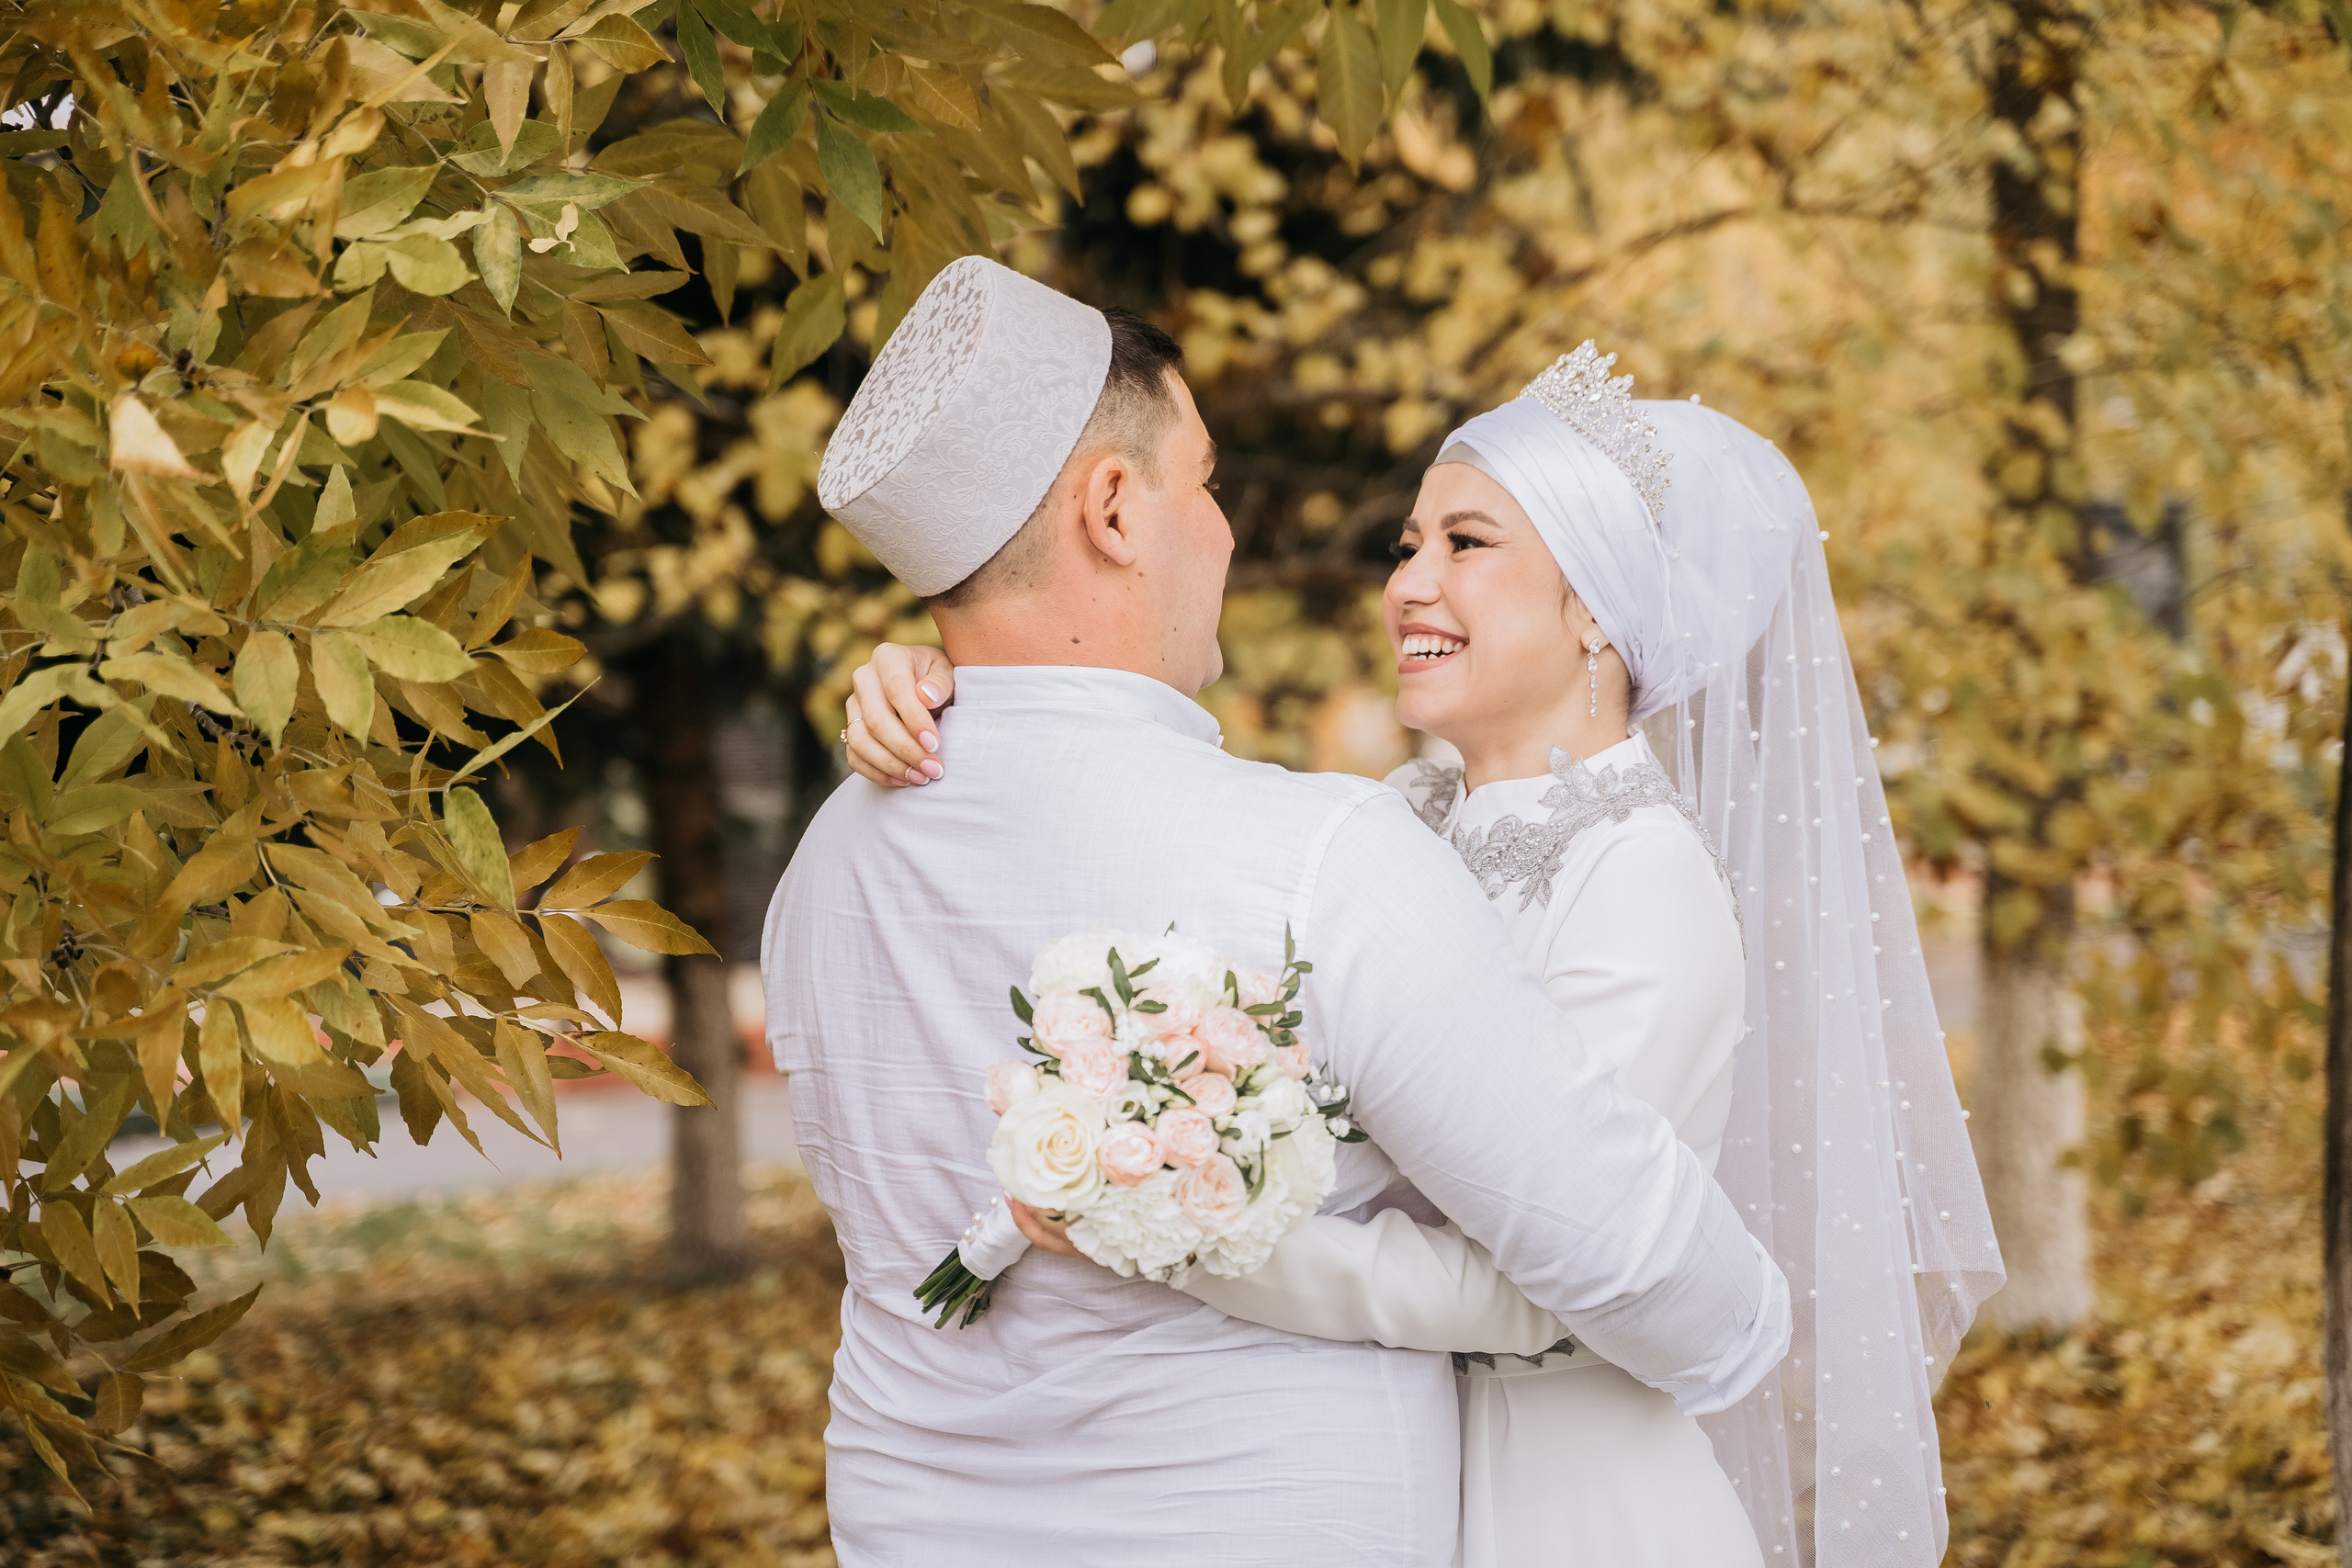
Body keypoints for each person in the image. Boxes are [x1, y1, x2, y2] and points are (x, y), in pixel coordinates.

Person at [841, 345, 2003, 1565]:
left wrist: (1193, 1234)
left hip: (1574, 1514)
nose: (1410, 584)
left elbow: (1556, 1289)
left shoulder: (1643, 876)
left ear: (1595, 606)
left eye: (1467, 544)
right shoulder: (1402, 821)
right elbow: (1156, 828)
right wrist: (950, 687)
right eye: (1408, 547)